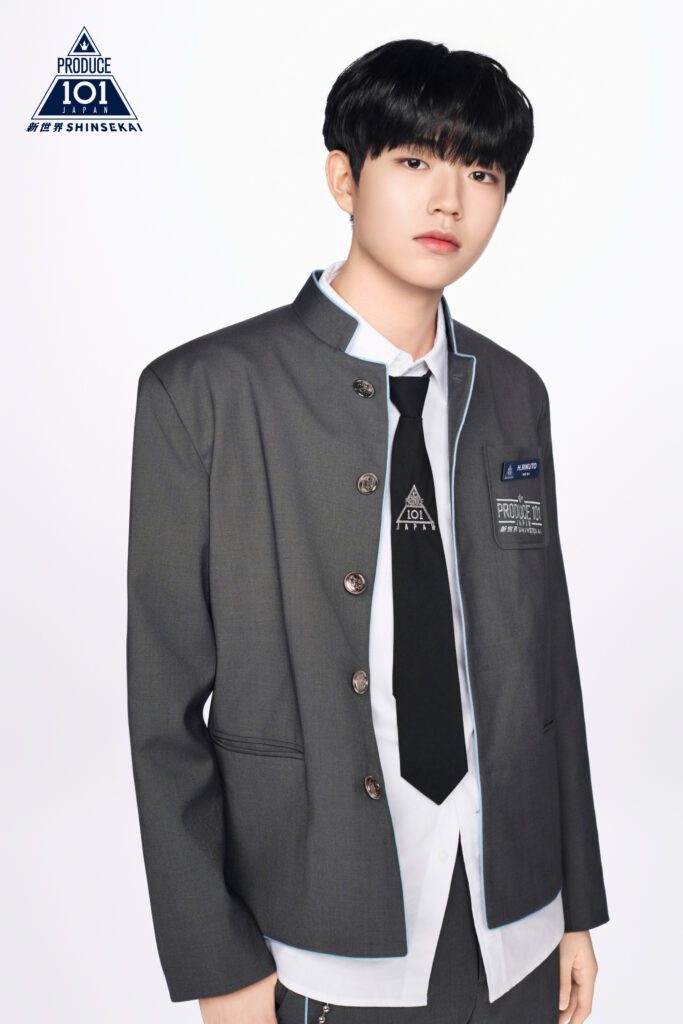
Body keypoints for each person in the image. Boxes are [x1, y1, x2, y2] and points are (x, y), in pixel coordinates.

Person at [126, 38, 609, 1024]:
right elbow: (161, 708)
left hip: (514, 920)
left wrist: (574, 909)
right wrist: (217, 962)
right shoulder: (203, 394)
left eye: (482, 173)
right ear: (343, 179)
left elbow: (547, 663)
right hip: (317, 931)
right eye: (414, 160)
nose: (449, 201)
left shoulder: (513, 394)